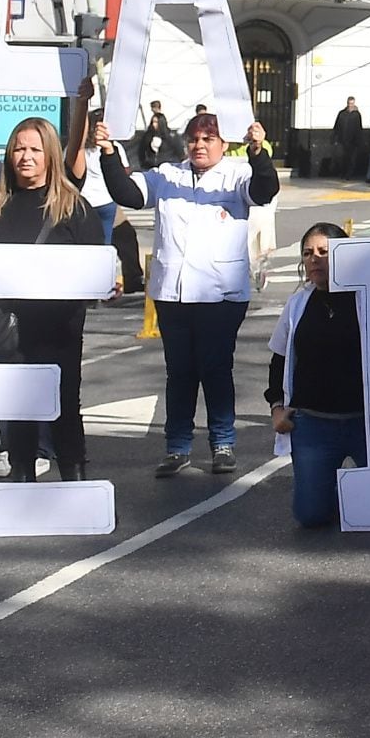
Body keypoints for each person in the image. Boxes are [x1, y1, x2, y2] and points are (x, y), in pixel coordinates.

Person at [96, 108, 279, 477]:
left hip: (220, 295)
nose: (199, 145)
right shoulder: (167, 175)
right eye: (194, 138)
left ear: (223, 143)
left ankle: (222, 443)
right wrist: (109, 154)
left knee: (215, 368)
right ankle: (177, 448)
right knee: (179, 372)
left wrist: (258, 153)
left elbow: (265, 190)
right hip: (172, 294)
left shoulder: (238, 174)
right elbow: (128, 194)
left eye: (208, 139)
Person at [0, 99, 110, 483]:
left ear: (50, 156)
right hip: (7, 329)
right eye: (19, 148)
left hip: (57, 328)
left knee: (63, 407)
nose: (26, 157)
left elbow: (95, 268)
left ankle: (73, 482)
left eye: (35, 149)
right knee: (15, 407)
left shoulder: (73, 207)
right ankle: (21, 476)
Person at [267, 223, 370, 530]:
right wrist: (276, 407)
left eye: (324, 252)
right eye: (308, 253)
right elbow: (279, 360)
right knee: (311, 516)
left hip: (366, 422)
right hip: (314, 425)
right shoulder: (297, 304)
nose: (315, 259)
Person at [329, 97, 366, 180]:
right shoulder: (342, 114)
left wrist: (360, 140)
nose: (350, 105)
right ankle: (342, 173)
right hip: (342, 139)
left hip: (353, 141)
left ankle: (348, 175)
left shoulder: (356, 115)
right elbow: (336, 126)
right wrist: (334, 137)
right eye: (349, 103)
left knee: (351, 158)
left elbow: (359, 128)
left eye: (352, 103)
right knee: (342, 157)